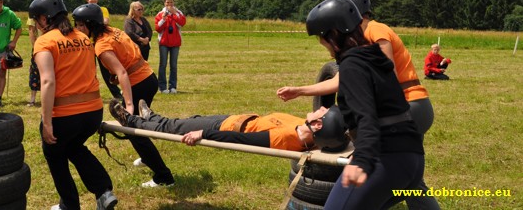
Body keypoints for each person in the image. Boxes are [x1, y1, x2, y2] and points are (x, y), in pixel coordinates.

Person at [278, 0, 440, 210]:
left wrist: (362, 159)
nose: (320, 43)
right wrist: (301, 90)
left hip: (384, 157)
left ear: (334, 34)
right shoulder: (372, 58)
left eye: (321, 37)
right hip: (410, 158)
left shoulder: (360, 57)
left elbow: (367, 116)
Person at [28, 0, 117, 210]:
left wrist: (47, 121)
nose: (36, 24)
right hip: (93, 113)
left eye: (36, 19)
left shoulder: (45, 41)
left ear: (44, 19)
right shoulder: (83, 38)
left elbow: (47, 81)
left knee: (54, 154)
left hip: (65, 115)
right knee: (74, 146)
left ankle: (69, 204)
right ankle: (104, 191)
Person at [72, 3, 175, 188]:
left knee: (135, 132)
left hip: (139, 83)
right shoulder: (112, 30)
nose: (77, 29)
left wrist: (128, 106)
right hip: (148, 77)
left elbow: (122, 73)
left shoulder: (101, 46)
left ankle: (164, 177)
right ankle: (146, 158)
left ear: (91, 24)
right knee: (139, 127)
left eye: (80, 25)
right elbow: (126, 55)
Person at [110, 98, 349, 152]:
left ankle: (131, 120)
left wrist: (204, 134)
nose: (323, 107)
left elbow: (239, 140)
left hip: (225, 128)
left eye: (325, 112)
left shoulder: (286, 140)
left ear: (318, 125)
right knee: (185, 121)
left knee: (173, 128)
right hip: (236, 118)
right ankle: (152, 117)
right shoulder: (306, 130)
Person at [154, 0, 186, 94]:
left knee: (174, 65)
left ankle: (173, 86)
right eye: (168, 3)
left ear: (174, 3)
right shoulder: (160, 14)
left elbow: (182, 23)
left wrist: (174, 14)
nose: (169, 5)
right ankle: (162, 87)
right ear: (164, 3)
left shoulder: (178, 12)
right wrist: (163, 19)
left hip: (175, 42)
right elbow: (158, 28)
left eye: (171, 2)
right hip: (164, 43)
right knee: (162, 65)